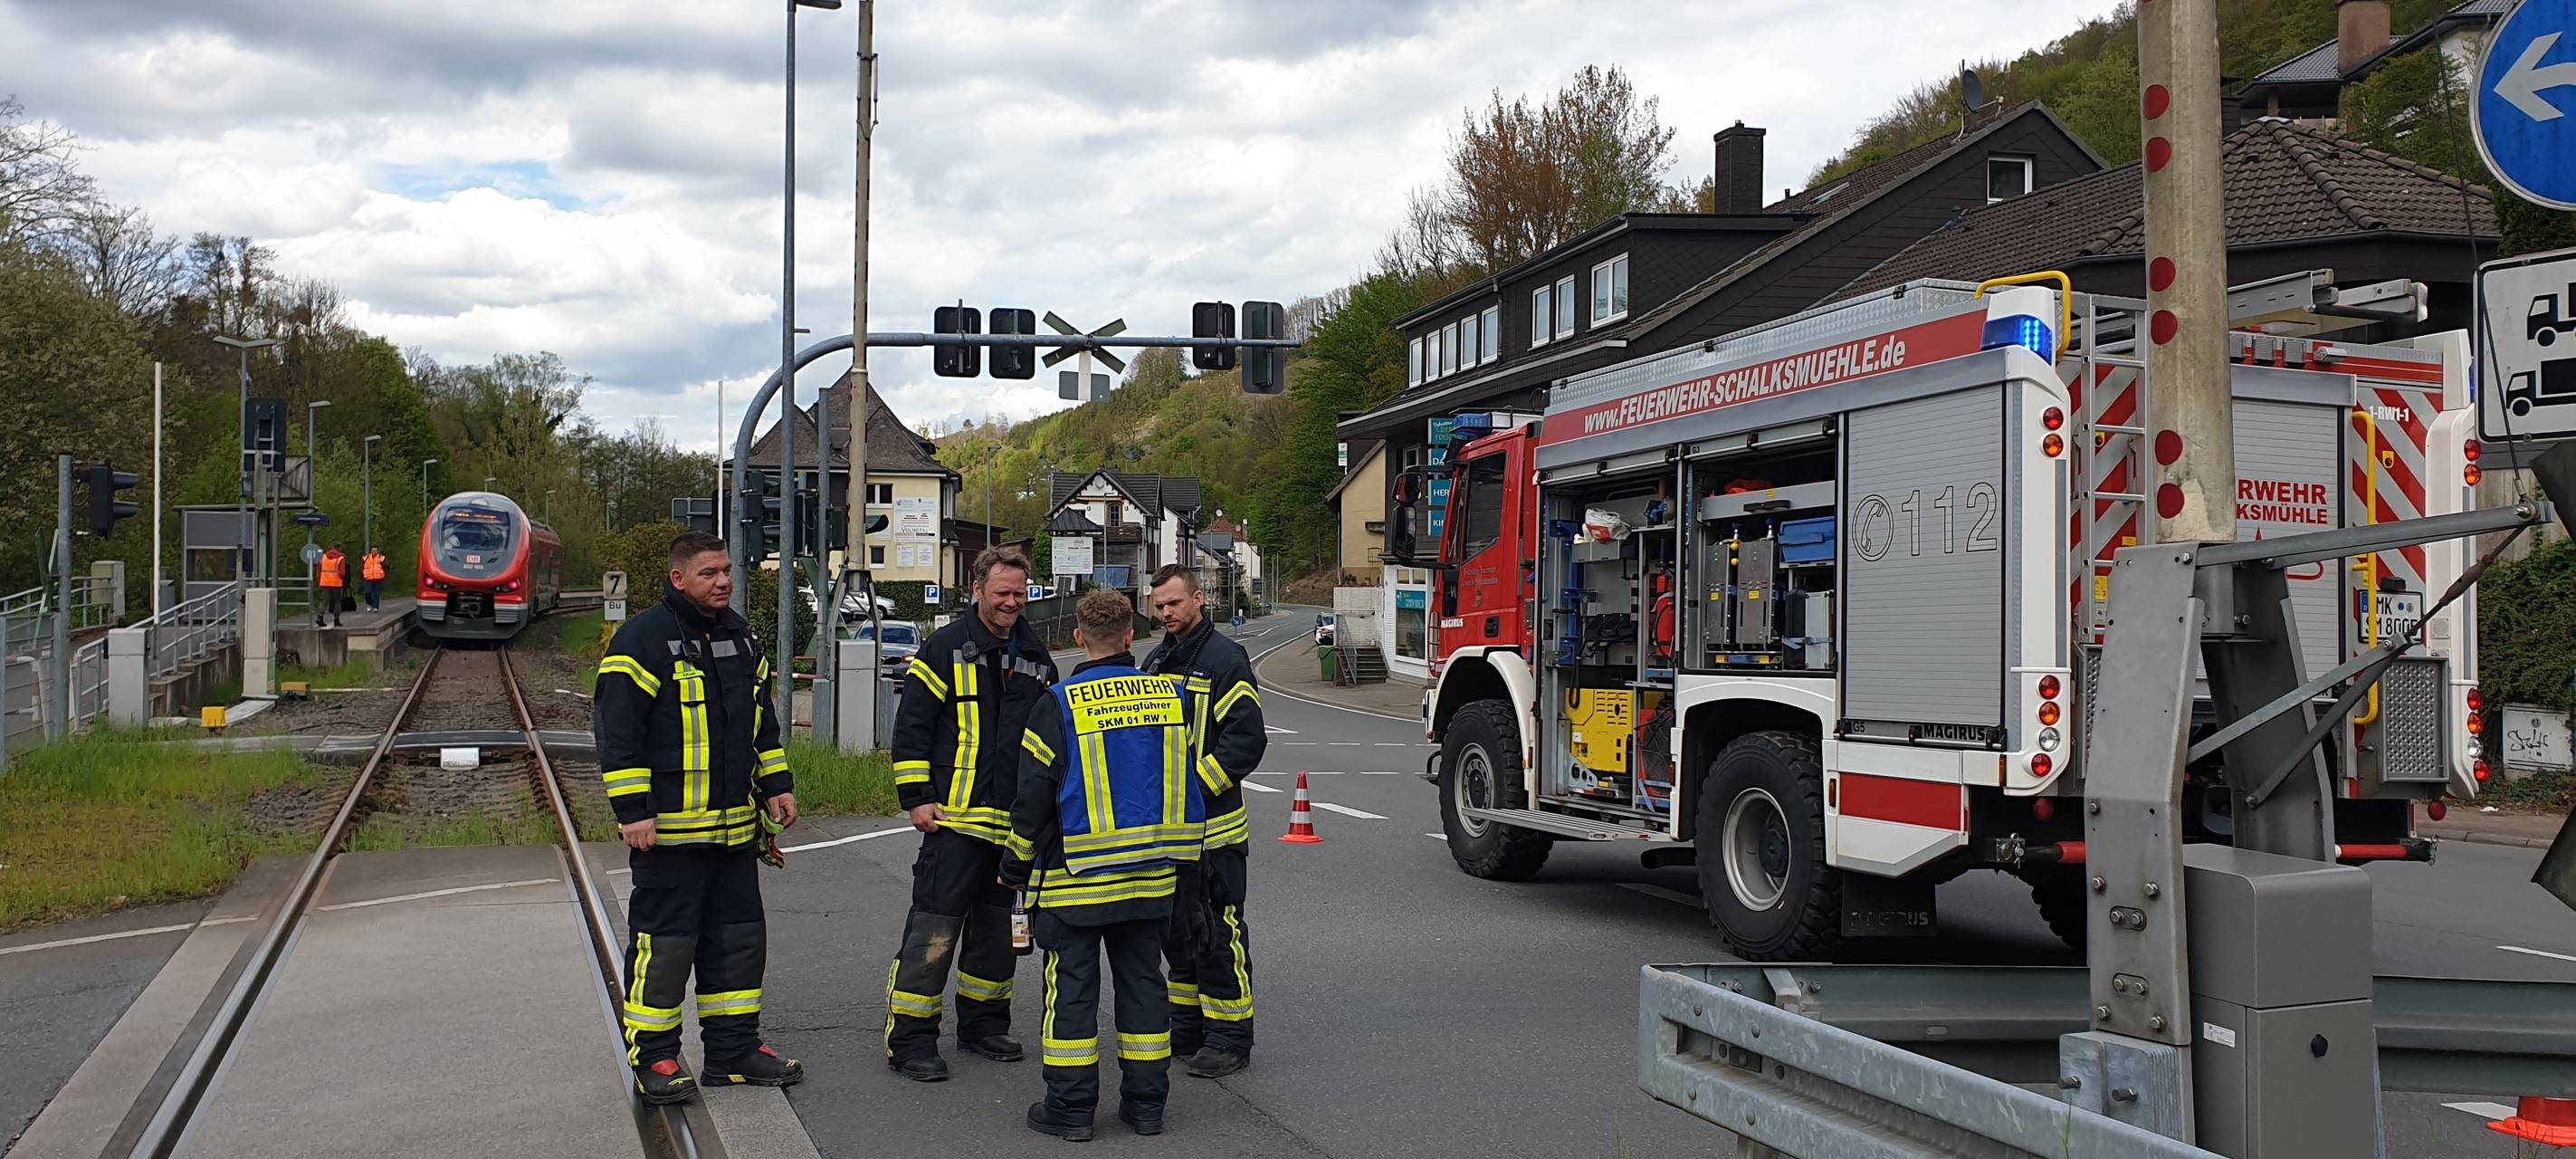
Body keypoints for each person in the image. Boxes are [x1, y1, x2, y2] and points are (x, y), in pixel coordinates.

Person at [592, 531, 802, 1105]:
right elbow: (618, 735)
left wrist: (776, 786)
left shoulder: (739, 637)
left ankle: (733, 1052)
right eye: (709, 573)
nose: (724, 582)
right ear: (678, 578)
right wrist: (633, 812)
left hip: (734, 834)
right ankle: (655, 1056)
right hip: (669, 837)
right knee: (665, 949)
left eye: (727, 571)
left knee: (737, 943)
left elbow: (763, 724)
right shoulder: (642, 640)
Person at [1005, 588, 1205, 1141]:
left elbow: (1033, 795)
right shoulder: (1172, 696)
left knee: (1071, 995)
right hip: (1151, 877)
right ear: (1129, 637)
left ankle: (1070, 1113)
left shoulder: (1058, 704)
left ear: (1076, 638)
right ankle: (1146, 1109)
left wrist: (1015, 866)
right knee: (1144, 987)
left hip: (1078, 880)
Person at [884, 546, 1060, 1082]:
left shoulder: (1036, 658)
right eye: (1002, 592)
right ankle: (910, 1039)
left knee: (997, 932)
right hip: (954, 823)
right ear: (977, 589)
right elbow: (912, 726)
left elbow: (1050, 741)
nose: (1012, 602)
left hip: (1011, 828)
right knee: (934, 933)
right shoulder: (942, 649)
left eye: (1019, 593)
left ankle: (984, 1025)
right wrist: (916, 797)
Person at [1141, 563, 1265, 1078]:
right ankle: (1188, 1025)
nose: (1165, 612)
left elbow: (1246, 742)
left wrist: (1191, 791)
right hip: (1170, 834)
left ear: (1199, 599)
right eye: (1159, 605)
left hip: (1213, 831)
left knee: (1217, 932)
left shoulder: (1224, 659)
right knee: (1178, 934)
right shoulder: (1156, 661)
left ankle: (1230, 1036)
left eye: (1174, 603)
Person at [317, 543, 348, 627]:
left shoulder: (323, 557)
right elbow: (342, 573)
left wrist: (320, 580)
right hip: (336, 584)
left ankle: (320, 617)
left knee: (324, 601)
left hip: (324, 583)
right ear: (340, 548)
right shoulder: (341, 558)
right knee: (337, 602)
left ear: (332, 547)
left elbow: (319, 571)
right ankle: (336, 620)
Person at [360, 545, 387, 612]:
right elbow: (361, 567)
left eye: (375, 550)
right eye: (373, 550)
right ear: (370, 551)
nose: (374, 552)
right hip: (367, 578)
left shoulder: (381, 558)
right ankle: (369, 604)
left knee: (376, 593)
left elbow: (386, 567)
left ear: (378, 551)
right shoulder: (365, 558)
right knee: (367, 592)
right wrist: (361, 575)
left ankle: (375, 607)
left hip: (378, 578)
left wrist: (383, 563)